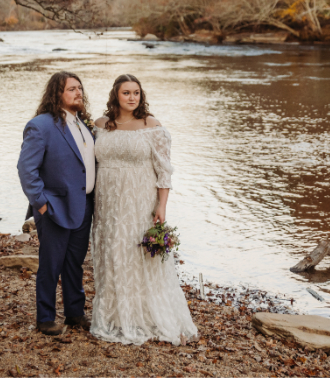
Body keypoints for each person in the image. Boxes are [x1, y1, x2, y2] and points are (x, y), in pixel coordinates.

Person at [90, 74, 198, 345]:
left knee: (136, 253)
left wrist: (162, 205)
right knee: (112, 251)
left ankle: (143, 314)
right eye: (126, 92)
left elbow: (164, 171)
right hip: (107, 202)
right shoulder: (101, 125)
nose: (132, 97)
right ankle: (115, 315)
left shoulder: (152, 126)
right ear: (115, 95)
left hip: (139, 198)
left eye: (136, 92)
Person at [17, 72, 95, 336]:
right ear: (57, 94)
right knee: (51, 264)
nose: (78, 92)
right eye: (71, 89)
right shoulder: (40, 125)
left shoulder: (84, 124)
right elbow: (27, 170)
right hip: (54, 207)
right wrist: (41, 205)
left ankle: (75, 313)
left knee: (75, 263)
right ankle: (46, 317)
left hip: (84, 205)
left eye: (79, 88)